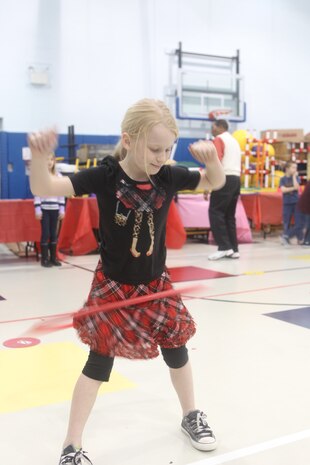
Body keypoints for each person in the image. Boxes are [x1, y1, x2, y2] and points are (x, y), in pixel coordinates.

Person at [28, 99, 226, 465]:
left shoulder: (167, 175)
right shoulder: (106, 176)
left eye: (169, 149)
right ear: (128, 139)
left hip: (156, 284)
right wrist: (40, 158)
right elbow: (46, 185)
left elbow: (213, 181)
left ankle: (190, 415)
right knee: (99, 362)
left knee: (177, 351)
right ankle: (71, 445)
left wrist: (212, 161)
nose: (161, 156)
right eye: (154, 148)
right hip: (114, 285)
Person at [206, 119, 241, 260]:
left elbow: (216, 161)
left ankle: (224, 247)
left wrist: (209, 183)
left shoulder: (219, 139)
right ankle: (234, 248)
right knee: (229, 215)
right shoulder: (234, 141)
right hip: (236, 179)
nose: (212, 129)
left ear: (220, 127)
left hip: (224, 178)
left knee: (215, 212)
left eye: (213, 126)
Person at [34, 152, 65, 267]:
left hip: (55, 209)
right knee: (45, 233)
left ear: (54, 162)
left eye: (51, 160)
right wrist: (38, 209)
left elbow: (61, 194)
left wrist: (62, 209)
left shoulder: (59, 177)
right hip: (44, 209)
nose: (49, 162)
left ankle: (53, 258)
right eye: (46, 159)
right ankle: (44, 259)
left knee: (53, 234)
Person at [279, 162, 304, 246]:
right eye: (293, 167)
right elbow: (283, 190)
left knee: (298, 222)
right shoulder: (282, 179)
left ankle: (300, 238)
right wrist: (293, 188)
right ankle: (286, 238)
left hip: (296, 202)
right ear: (287, 168)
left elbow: (297, 187)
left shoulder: (296, 177)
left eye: (296, 168)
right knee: (286, 221)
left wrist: (293, 177)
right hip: (287, 203)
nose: (295, 170)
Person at [297, 180, 310, 246]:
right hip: (306, 206)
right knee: (307, 224)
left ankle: (306, 240)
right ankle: (306, 241)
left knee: (307, 224)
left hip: (305, 205)